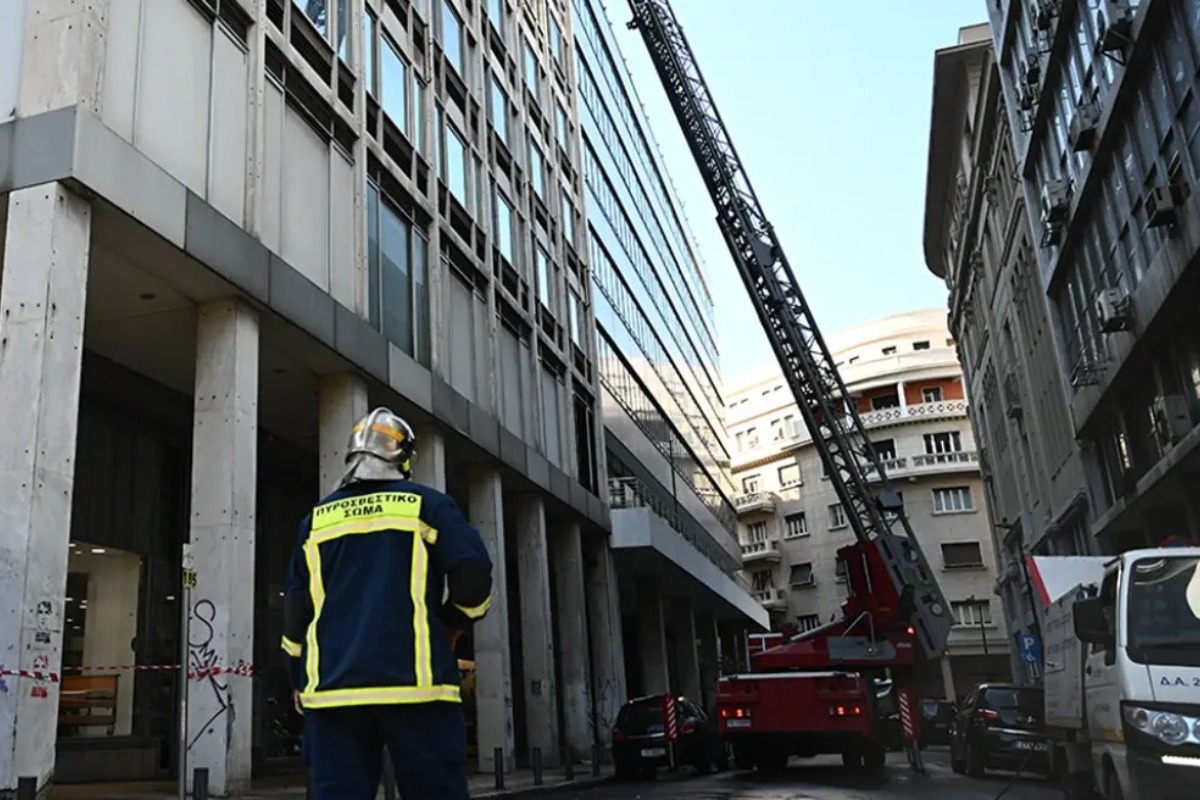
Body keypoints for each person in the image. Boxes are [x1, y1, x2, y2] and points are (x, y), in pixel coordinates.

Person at [281, 408, 493, 800]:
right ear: (405, 457)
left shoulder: (315, 522)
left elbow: (297, 612)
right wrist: (451, 625)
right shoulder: (428, 506)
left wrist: (297, 677)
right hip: (417, 689)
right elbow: (473, 579)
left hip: (333, 692)